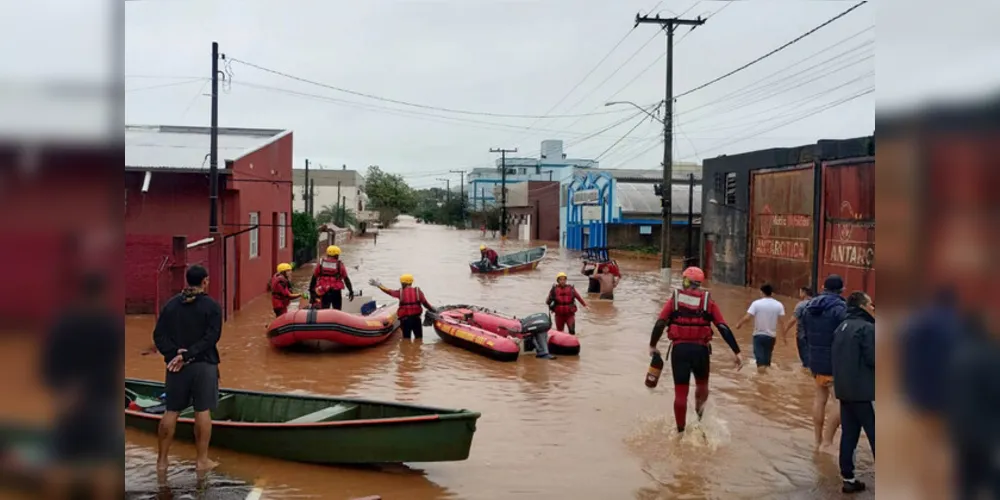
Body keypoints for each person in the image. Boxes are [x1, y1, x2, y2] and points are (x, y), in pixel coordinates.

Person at [42, 272, 123, 500]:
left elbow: (48, 366)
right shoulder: (111, 324)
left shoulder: (63, 323)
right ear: (104, 294)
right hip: (101, 401)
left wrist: (63, 394)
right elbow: (115, 368)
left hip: (68, 402)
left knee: (61, 465)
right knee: (103, 467)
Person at [648, 267, 744, 433]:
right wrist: (737, 352)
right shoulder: (708, 301)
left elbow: (660, 323)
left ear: (685, 281)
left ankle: (680, 431)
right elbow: (722, 327)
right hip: (701, 351)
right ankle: (699, 420)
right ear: (700, 283)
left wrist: (653, 345)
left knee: (680, 393)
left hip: (680, 351)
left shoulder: (675, 301)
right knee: (702, 387)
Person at [153, 264, 222, 473]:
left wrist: (175, 354)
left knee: (171, 410)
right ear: (205, 281)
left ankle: (162, 462)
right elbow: (212, 337)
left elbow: (158, 336)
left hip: (176, 367)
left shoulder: (172, 305)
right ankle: (202, 461)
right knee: (202, 410)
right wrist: (188, 354)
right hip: (203, 364)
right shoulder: (212, 307)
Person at [832, 291, 875, 494]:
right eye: (871, 305)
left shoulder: (841, 327)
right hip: (866, 393)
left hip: (844, 391)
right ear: (862, 306)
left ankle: (848, 479)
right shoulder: (868, 328)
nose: (873, 308)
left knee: (849, 435)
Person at [802, 274, 847, 451]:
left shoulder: (808, 307)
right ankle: (828, 442)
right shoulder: (841, 308)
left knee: (820, 398)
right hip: (835, 361)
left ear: (823, 286)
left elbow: (804, 333)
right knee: (841, 401)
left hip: (815, 360)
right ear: (842, 290)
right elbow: (846, 335)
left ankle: (817, 440)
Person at [734, 283, 786, 371]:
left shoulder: (756, 304)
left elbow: (747, 317)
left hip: (759, 336)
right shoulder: (779, 305)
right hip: (771, 337)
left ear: (762, 292)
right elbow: (782, 322)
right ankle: (766, 381)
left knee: (760, 363)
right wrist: (784, 337)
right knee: (767, 362)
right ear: (771, 293)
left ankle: (761, 381)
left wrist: (739, 324)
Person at [371, 274, 437, 340]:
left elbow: (389, 291)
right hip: (417, 320)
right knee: (419, 339)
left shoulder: (400, 292)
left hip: (406, 321)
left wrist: (379, 285)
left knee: (406, 340)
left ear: (403, 283)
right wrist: (433, 309)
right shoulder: (418, 292)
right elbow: (426, 304)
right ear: (411, 282)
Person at [311, 245, 354, 310]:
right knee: (337, 309)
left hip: (323, 290)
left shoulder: (321, 264)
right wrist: (351, 291)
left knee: (324, 310)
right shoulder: (340, 265)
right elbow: (346, 279)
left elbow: (314, 278)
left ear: (327, 254)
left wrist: (312, 292)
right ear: (336, 255)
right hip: (336, 291)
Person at [783, 286, 816, 369]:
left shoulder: (801, 305)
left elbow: (793, 320)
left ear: (804, 293)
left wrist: (785, 331)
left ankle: (807, 375)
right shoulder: (817, 303)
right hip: (815, 335)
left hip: (802, 335)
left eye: (800, 292)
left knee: (805, 361)